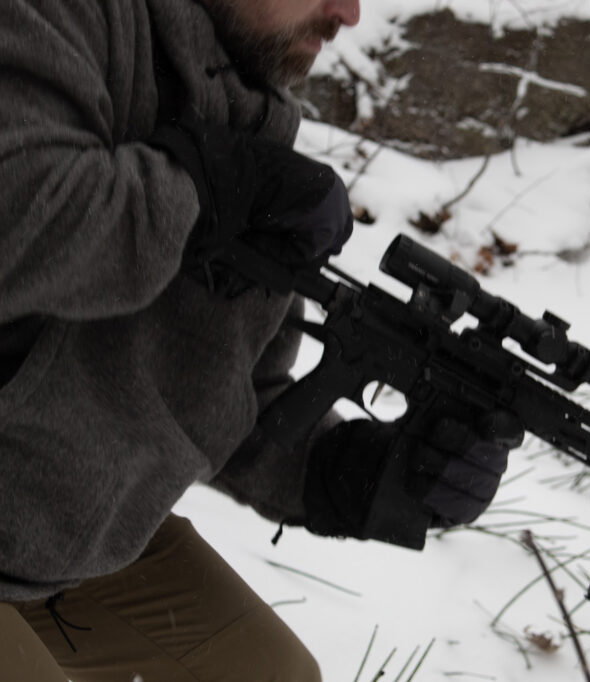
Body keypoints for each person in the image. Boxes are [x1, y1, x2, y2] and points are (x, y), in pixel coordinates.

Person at [0, 0, 524, 680]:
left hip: (49, 546)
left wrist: (357, 472)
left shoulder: (251, 107)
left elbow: (233, 400)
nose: (349, 12)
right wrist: (217, 183)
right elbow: (23, 214)